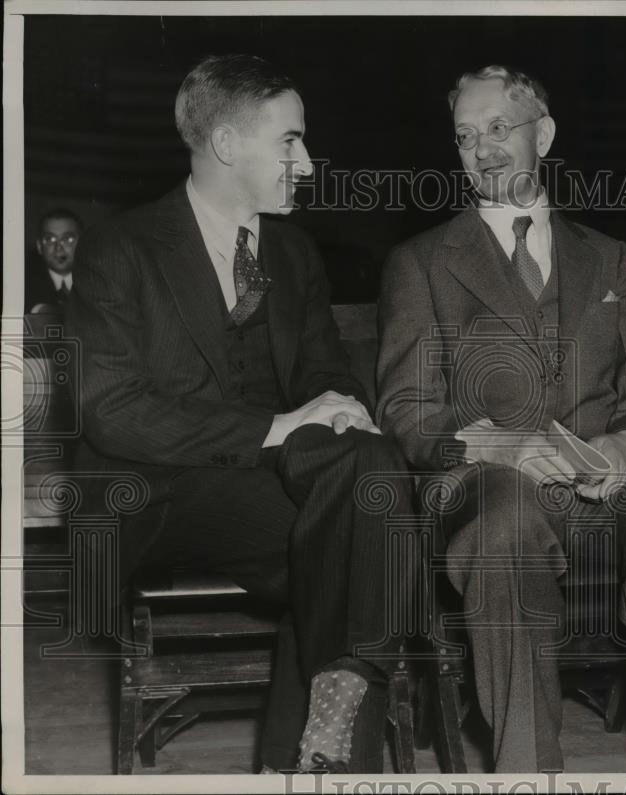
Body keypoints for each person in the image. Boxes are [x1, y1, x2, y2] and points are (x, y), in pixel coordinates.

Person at [377, 64, 626, 773]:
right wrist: (503, 445)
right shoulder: (420, 263)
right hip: (488, 491)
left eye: (499, 128)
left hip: (603, 490)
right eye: (466, 136)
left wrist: (621, 443)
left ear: (543, 134)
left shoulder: (611, 258)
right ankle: (528, 772)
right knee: (506, 527)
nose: (483, 149)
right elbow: (405, 410)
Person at [66, 54, 411, 774]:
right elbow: (113, 411)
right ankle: (328, 761)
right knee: (365, 532)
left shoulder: (294, 251)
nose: (308, 163)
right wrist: (274, 428)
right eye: (290, 141)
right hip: (152, 493)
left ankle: (319, 748)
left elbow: (322, 372)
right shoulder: (121, 246)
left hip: (265, 488)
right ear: (226, 146)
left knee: (367, 481)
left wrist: (343, 410)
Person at [27, 208, 81, 312]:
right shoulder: (24, 283)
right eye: (50, 239)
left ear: (82, 243)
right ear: (39, 246)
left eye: (68, 239)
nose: (58, 248)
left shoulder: (95, 284)